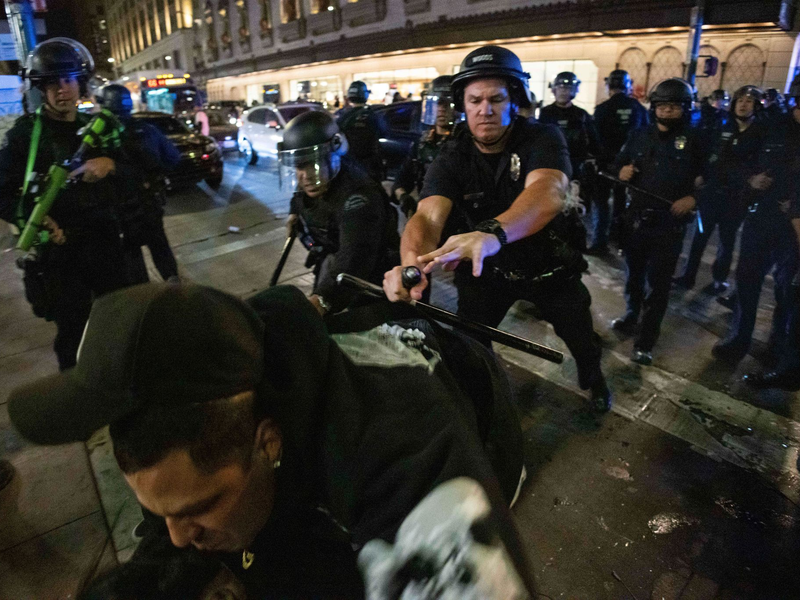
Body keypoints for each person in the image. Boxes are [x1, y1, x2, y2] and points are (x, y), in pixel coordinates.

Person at [9, 281, 536, 599]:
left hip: (472, 408)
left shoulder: (401, 459)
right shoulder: (222, 373)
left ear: (268, 442)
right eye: (158, 510)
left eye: (198, 508)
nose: (176, 537)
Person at [383, 45, 612, 413]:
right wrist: (411, 263)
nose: (484, 110)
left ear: (514, 100)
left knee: (582, 339)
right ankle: (485, 403)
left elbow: (549, 190)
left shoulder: (542, 137)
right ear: (463, 105)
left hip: (548, 267)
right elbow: (427, 216)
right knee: (471, 346)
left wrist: (492, 234)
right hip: (486, 272)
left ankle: (593, 377)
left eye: (496, 99)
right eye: (474, 100)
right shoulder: (452, 155)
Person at [0, 38, 134, 370]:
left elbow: (135, 176)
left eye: (68, 79)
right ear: (41, 89)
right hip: (60, 255)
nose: (62, 90)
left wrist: (110, 165)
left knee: (118, 324)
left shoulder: (98, 130)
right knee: (73, 335)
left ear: (80, 82)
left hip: (105, 244)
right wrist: (33, 217)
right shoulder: (25, 135)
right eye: (52, 83)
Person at [610, 78, 705, 366]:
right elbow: (618, 164)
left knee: (659, 285)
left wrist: (694, 198)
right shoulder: (640, 135)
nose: (667, 111)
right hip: (637, 220)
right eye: (662, 106)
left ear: (685, 108)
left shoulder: (696, 140)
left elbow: (716, 179)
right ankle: (631, 314)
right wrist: (621, 172)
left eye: (674, 107)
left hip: (669, 224)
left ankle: (645, 341)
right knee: (633, 275)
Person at [713, 81, 800, 366]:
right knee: (747, 281)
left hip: (794, 227)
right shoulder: (771, 126)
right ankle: (739, 339)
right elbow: (732, 159)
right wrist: (749, 179)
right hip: (762, 216)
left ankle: (777, 348)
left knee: (787, 290)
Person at [279, 110, 399, 316]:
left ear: (335, 153)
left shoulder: (358, 197)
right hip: (333, 266)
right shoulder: (316, 182)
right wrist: (294, 213)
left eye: (313, 164)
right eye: (299, 166)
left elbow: (355, 258)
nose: (305, 176)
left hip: (377, 284)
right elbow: (299, 195)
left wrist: (322, 301)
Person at [673, 85, 766, 293]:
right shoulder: (722, 127)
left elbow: (756, 164)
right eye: (740, 101)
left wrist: (749, 179)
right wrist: (702, 175)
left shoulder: (760, 133)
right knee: (699, 237)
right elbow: (711, 156)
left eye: (748, 102)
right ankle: (688, 276)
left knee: (727, 241)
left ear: (756, 107)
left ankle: (719, 280)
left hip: (736, 198)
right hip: (712, 193)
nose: (743, 105)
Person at [96, 84, 182, 283]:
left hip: (120, 210)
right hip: (149, 202)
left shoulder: (99, 138)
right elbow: (173, 158)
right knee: (160, 247)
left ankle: (143, 294)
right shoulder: (148, 130)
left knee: (131, 255)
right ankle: (174, 285)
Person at [591, 69, 649, 253]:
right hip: (630, 165)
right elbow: (646, 135)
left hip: (605, 164)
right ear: (628, 86)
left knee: (601, 204)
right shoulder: (638, 108)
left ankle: (600, 242)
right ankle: (621, 239)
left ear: (609, 85)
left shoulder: (602, 109)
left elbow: (594, 138)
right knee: (622, 203)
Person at [392, 75, 459, 218]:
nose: (441, 109)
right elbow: (402, 179)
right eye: (437, 104)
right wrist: (404, 197)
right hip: (428, 215)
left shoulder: (465, 142)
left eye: (447, 104)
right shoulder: (422, 143)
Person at [539, 72, 602, 206]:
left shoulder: (581, 115)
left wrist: (597, 159)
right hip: (552, 165)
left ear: (574, 90)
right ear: (554, 90)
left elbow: (594, 141)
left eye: (567, 88)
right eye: (560, 88)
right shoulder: (546, 113)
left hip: (577, 167)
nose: (563, 92)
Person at [336, 80, 383, 182]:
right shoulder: (372, 116)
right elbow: (384, 133)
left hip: (348, 165)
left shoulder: (342, 117)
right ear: (365, 95)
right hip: (370, 166)